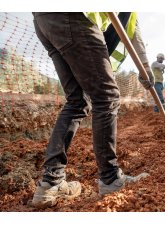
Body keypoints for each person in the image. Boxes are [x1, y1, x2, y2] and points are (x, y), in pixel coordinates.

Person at [30, 12, 154, 208]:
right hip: (74, 17)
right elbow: (134, 31)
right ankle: (111, 178)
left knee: (77, 101)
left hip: (44, 19)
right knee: (107, 97)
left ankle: (51, 182)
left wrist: (145, 65)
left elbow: (132, 29)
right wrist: (145, 66)